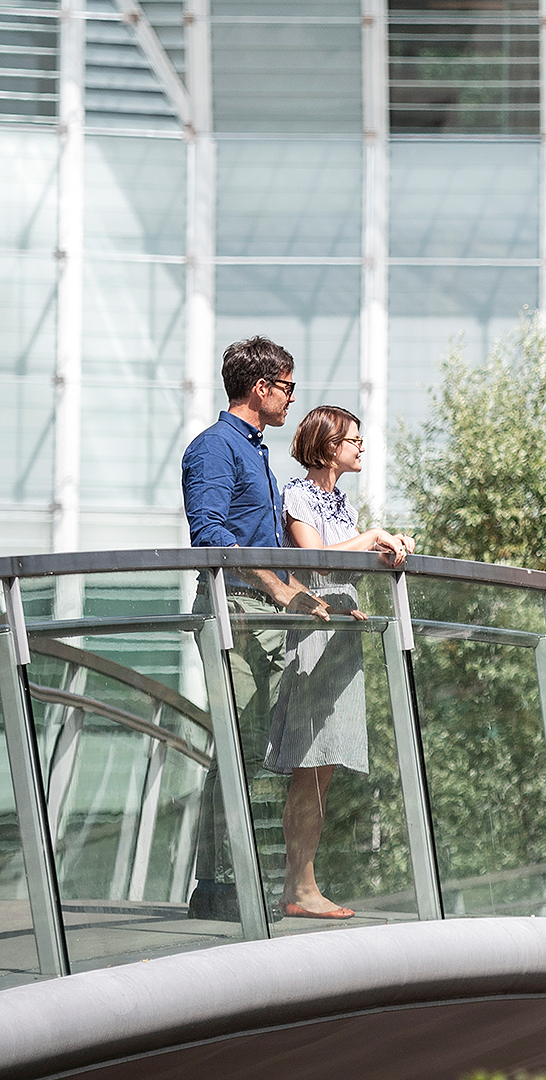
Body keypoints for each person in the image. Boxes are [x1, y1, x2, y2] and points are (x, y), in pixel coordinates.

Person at [180, 336, 332, 921]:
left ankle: (232, 883)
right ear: (261, 387)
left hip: (261, 615)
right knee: (237, 749)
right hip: (235, 612)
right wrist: (276, 587)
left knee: (253, 752)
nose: (292, 399)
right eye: (288, 388)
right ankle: (218, 889)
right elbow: (211, 537)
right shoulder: (215, 450)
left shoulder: (254, 452)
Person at [266, 405, 415, 920]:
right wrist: (372, 538)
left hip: (339, 632)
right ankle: (298, 888)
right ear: (329, 446)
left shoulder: (337, 502)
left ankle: (302, 884)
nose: (361, 447)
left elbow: (344, 561)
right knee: (310, 760)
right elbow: (318, 560)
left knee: (323, 766)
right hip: (312, 634)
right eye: (353, 440)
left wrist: (389, 550)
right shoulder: (298, 496)